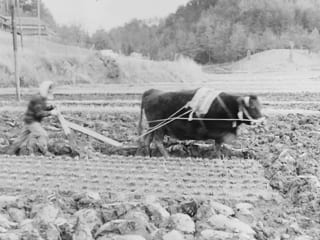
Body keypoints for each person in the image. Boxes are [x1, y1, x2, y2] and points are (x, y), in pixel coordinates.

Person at [7, 81, 58, 155]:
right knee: (43, 134)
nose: (50, 92)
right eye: (49, 90)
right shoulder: (38, 99)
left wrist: (50, 107)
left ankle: (10, 152)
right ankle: (44, 151)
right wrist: (51, 113)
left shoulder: (40, 98)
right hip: (32, 121)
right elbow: (39, 113)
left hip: (28, 121)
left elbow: (41, 108)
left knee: (21, 138)